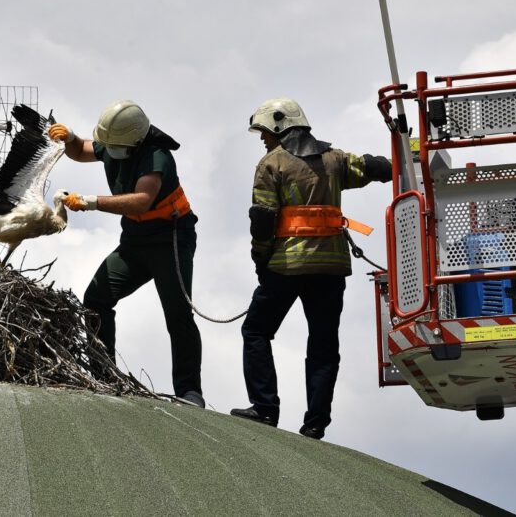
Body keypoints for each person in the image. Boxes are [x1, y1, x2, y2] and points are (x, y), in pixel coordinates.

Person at [230, 97, 391, 439]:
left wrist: (260, 259)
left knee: (256, 332)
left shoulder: (271, 164)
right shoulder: (335, 160)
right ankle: (315, 422)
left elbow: (263, 218)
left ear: (278, 126)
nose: (262, 139)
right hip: (331, 268)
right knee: (323, 344)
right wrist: (410, 156)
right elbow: (376, 167)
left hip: (285, 267)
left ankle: (264, 408)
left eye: (263, 132)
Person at [48, 100, 204, 407]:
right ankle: (103, 376)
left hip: (170, 240)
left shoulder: (156, 156)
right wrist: (69, 138)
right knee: (96, 299)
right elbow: (81, 150)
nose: (107, 149)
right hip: (135, 242)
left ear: (134, 141)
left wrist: (91, 201)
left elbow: (141, 201)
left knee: (178, 313)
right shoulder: (113, 143)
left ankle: (189, 391)